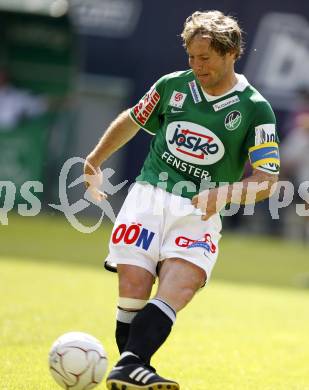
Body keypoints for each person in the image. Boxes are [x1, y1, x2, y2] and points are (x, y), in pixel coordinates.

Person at [84, 10, 280, 390]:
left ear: (231, 53)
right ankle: (132, 367)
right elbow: (131, 118)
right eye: (191, 56)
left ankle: (128, 367)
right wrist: (94, 160)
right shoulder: (173, 86)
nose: (196, 65)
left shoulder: (256, 109)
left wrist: (225, 192)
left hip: (199, 210)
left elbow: (267, 180)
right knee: (134, 288)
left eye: (204, 58)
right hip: (148, 197)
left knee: (181, 289)